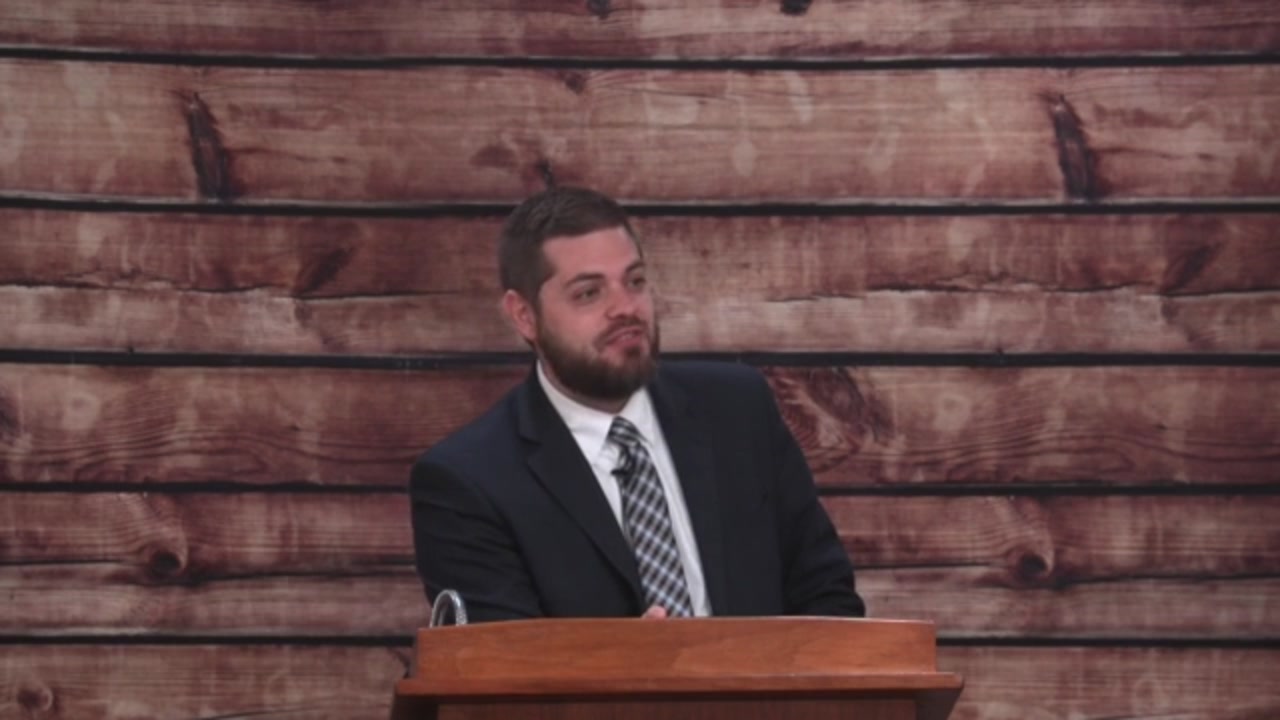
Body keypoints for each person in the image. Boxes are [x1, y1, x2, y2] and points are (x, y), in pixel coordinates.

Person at [409, 186, 865, 622]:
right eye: (589, 293)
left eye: (635, 281)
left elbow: (827, 599)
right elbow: (499, 664)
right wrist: (631, 661)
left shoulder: (738, 411)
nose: (625, 307)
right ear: (524, 316)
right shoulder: (469, 481)